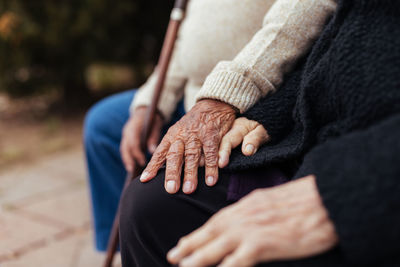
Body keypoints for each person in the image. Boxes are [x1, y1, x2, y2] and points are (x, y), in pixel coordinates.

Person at [119, 0, 400, 266]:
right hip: (302, 119)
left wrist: (346, 189)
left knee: (155, 199)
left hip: (367, 165)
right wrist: (268, 116)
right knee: (147, 198)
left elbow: (305, 22)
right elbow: (334, 49)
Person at [84, 0, 336, 251]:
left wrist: (228, 93)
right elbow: (182, 43)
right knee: (104, 126)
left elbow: (300, 16)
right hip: (193, 94)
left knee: (150, 198)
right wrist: (151, 104)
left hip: (251, 96)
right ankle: (121, 249)